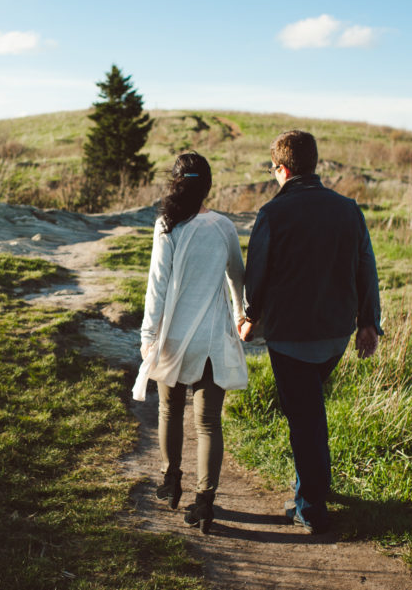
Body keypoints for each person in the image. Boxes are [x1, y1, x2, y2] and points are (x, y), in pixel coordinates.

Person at [239, 130, 382, 535]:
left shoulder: (272, 214)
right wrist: (368, 322)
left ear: (282, 169)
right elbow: (365, 267)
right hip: (335, 333)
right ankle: (312, 489)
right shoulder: (348, 209)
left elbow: (257, 275)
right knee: (308, 409)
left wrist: (250, 316)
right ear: (313, 164)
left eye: (273, 170)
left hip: (289, 336)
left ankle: (312, 507)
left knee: (304, 417)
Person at [133, 152, 247, 534]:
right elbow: (237, 277)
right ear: (208, 186)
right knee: (209, 423)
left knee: (169, 412)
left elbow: (157, 287)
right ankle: (204, 503)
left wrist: (148, 337)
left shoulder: (166, 225)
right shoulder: (223, 227)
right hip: (212, 338)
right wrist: (240, 315)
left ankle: (170, 483)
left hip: (174, 337)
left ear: (175, 183)